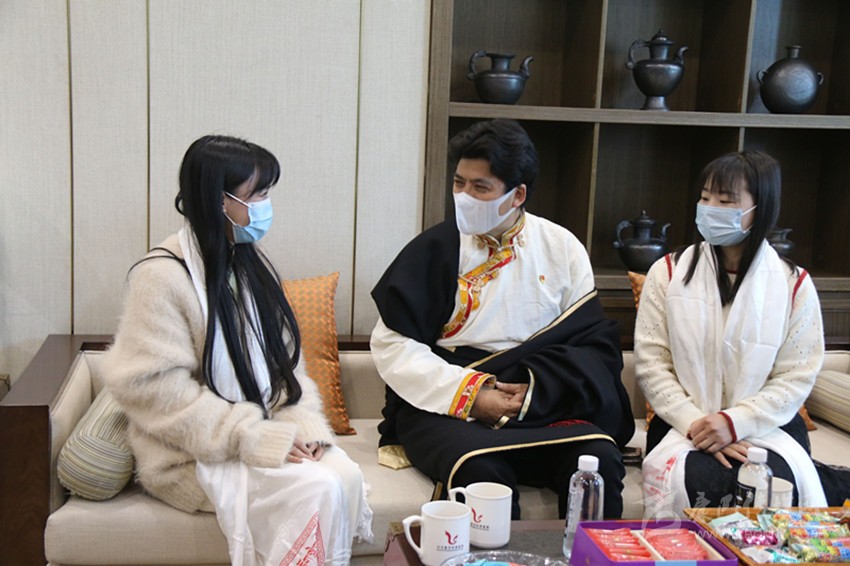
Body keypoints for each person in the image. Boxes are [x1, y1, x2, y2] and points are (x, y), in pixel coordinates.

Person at [102, 135, 372, 565]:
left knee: (343, 476)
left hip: (259, 434)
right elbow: (153, 389)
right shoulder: (160, 278)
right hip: (189, 456)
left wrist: (303, 428)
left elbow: (288, 369)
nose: (266, 205)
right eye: (257, 194)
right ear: (218, 201)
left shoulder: (245, 263)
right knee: (318, 487)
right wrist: (251, 436)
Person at [370, 119, 635, 520]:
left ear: (517, 195)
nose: (464, 197)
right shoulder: (435, 248)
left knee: (597, 460)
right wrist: (473, 394)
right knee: (481, 472)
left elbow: (592, 346)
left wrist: (536, 389)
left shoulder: (563, 248)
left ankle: (585, 553)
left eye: (480, 188)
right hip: (449, 402)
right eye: (459, 183)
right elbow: (393, 344)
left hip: (542, 401)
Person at [635, 149, 835, 518]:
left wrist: (733, 423)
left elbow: (796, 376)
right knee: (699, 479)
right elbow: (652, 366)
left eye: (726, 201)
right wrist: (700, 425)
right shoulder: (667, 273)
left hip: (767, 425)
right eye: (705, 198)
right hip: (684, 423)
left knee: (774, 482)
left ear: (761, 209)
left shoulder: (794, 285)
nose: (710, 208)